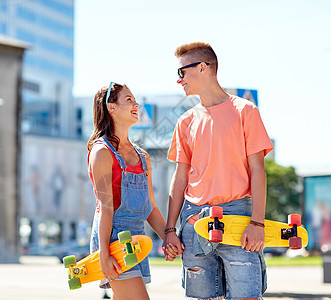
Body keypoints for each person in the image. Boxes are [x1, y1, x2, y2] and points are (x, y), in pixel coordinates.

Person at [162, 42, 274, 300]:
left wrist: (257, 221)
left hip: (239, 218)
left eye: (182, 72)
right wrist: (170, 230)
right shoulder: (185, 121)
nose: (179, 80)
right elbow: (179, 179)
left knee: (247, 297)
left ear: (203, 68)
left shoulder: (245, 111)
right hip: (194, 220)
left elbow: (258, 170)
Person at [87, 82, 170, 300]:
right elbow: (105, 207)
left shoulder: (143, 156)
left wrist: (168, 238)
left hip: (136, 238)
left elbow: (150, 206)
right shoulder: (102, 152)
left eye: (134, 99)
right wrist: (104, 255)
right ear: (111, 108)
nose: (136, 104)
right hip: (113, 238)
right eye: (128, 100)